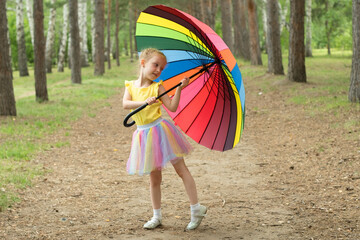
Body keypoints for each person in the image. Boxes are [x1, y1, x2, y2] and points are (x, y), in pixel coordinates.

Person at [122, 48, 207, 230]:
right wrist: (144, 102)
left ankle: (196, 209)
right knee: (154, 179)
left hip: (161, 133)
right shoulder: (130, 86)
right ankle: (156, 215)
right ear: (143, 63)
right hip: (143, 135)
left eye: (161, 68)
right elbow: (125, 104)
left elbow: (172, 107)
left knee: (181, 170)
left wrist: (179, 89)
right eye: (156, 65)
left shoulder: (157, 87)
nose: (158, 70)